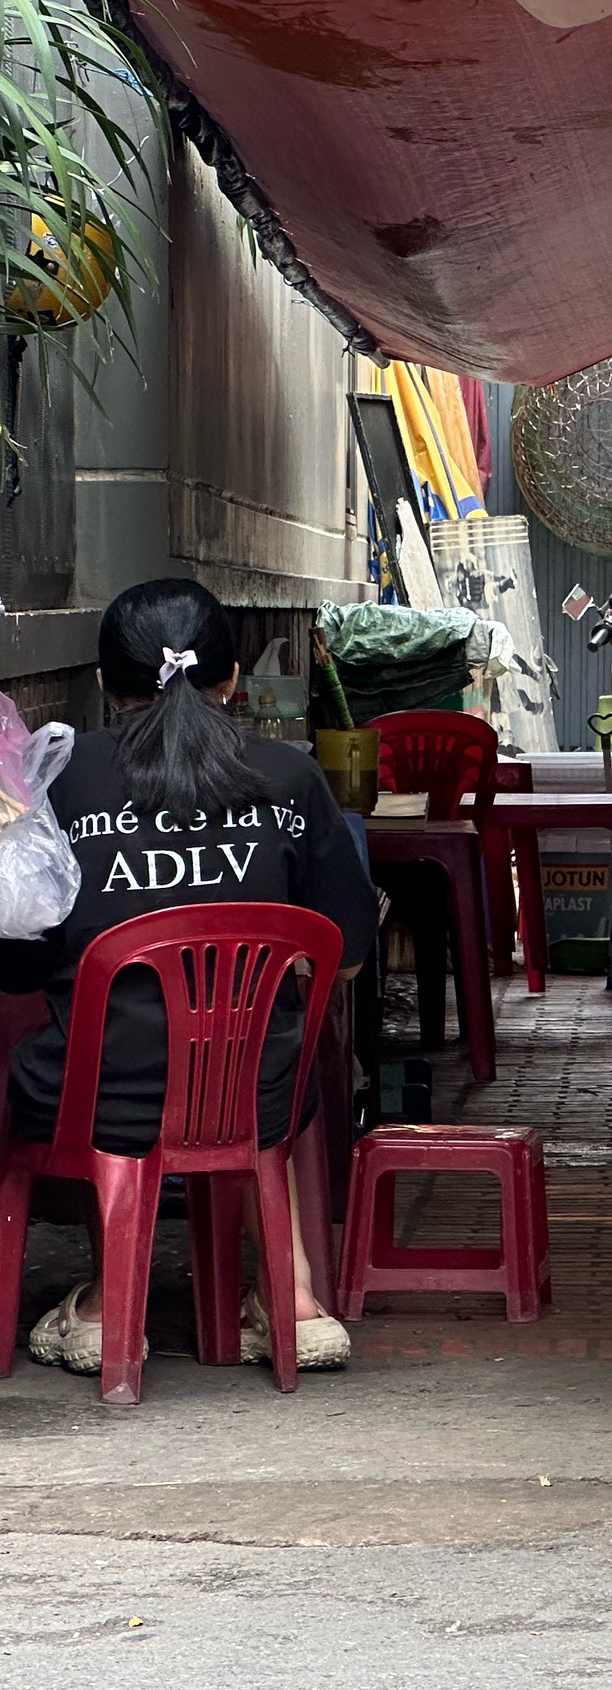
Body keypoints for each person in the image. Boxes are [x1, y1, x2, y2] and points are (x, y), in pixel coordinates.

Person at [3, 580, 375, 1374]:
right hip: (259, 1094)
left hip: (97, 1099)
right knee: (265, 1047)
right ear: (234, 678)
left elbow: (21, 961)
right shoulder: (290, 777)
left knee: (82, 1050)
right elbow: (345, 952)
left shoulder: (58, 781)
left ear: (106, 683)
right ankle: (296, 1297)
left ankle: (109, 1309)